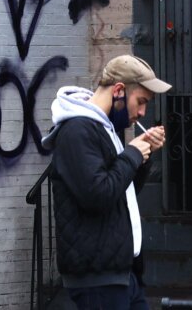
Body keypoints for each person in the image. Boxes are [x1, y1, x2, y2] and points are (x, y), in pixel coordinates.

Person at [46, 54, 171, 310]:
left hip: (122, 273)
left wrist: (142, 157)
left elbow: (121, 195)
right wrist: (132, 155)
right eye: (141, 101)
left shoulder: (104, 128)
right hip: (97, 277)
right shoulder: (77, 130)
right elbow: (98, 195)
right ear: (118, 91)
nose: (143, 112)